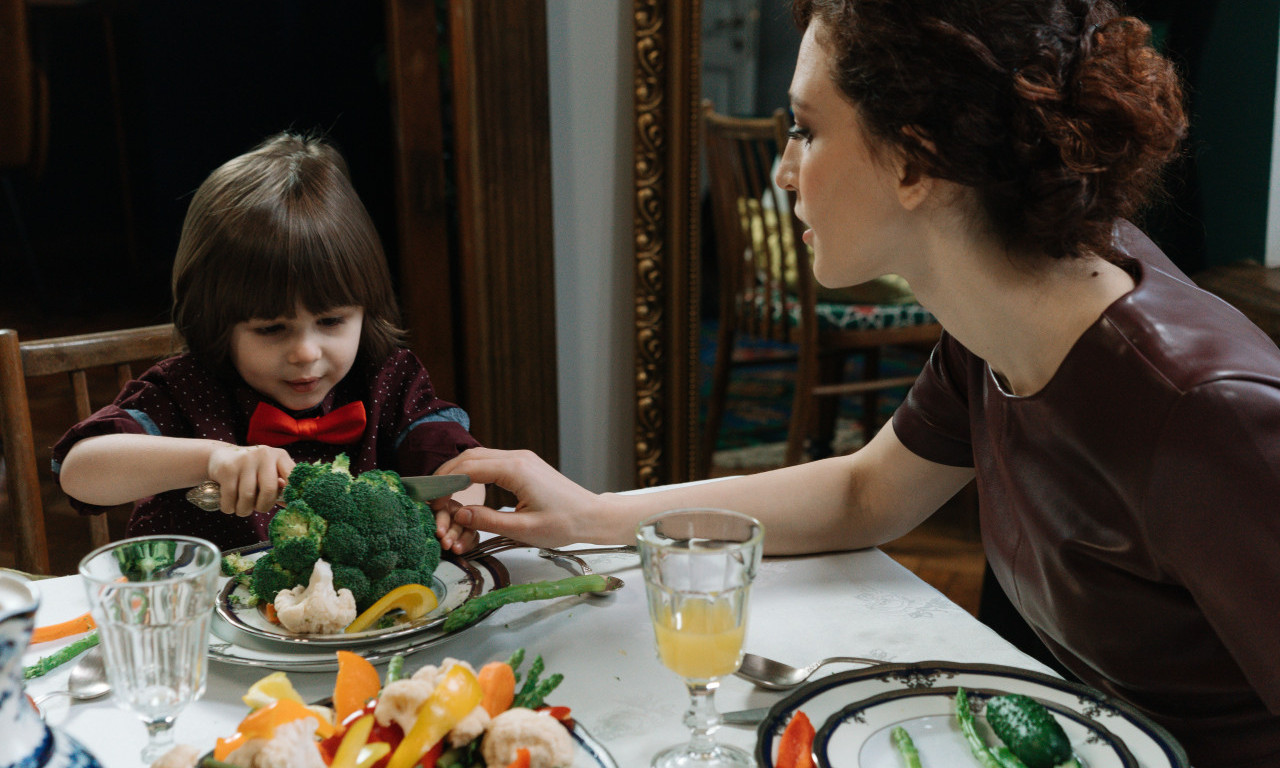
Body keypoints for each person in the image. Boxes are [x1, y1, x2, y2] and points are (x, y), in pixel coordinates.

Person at [430, 1, 1280, 764]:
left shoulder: (1208, 414)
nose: (784, 170)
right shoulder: (1002, 314)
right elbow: (867, 492)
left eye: (806, 129)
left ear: (915, 160)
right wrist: (593, 515)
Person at [54, 132, 486, 553]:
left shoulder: (388, 377)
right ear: (216, 323)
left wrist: (457, 509)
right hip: (199, 600)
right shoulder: (185, 389)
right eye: (272, 329)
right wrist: (212, 459)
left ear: (366, 309)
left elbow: (461, 467)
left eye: (331, 320)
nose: (306, 353)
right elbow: (78, 471)